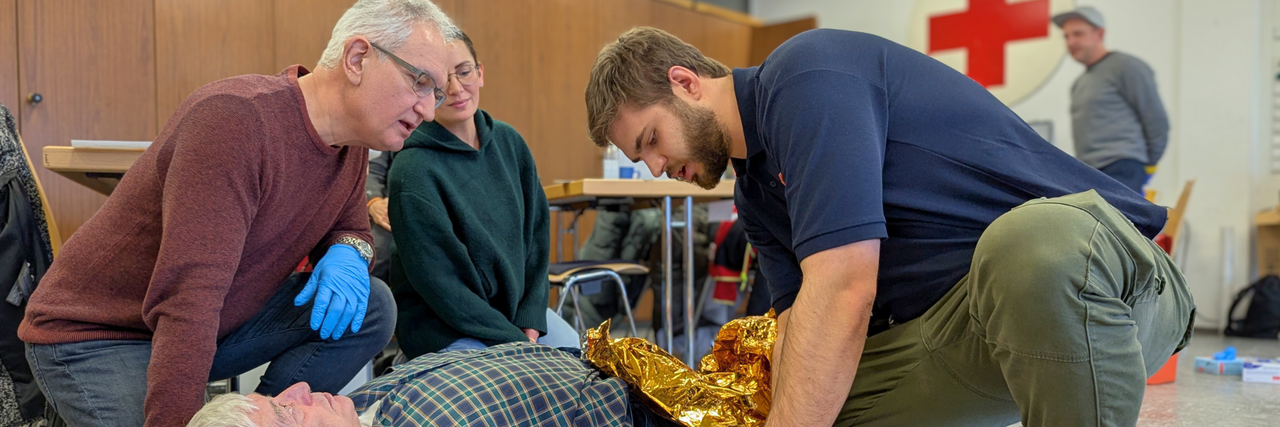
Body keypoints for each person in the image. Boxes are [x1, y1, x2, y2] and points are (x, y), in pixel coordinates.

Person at [584, 27, 1195, 426]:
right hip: (961, 328)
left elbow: (846, 285)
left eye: (652, 140)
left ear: (685, 83)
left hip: (1106, 287)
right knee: (794, 391)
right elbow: (803, 324)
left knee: (1027, 246)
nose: (660, 168)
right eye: (644, 161)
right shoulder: (755, 196)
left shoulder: (804, 75)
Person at [17, 1, 460, 425]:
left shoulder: (353, 146)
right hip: (100, 336)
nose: (427, 109)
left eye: (436, 93)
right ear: (358, 57)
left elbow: (351, 229)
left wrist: (349, 251)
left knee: (372, 305)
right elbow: (189, 299)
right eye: (420, 81)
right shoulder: (235, 121)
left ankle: (271, 418)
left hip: (208, 327)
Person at [385, 32, 577, 358]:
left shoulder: (510, 143)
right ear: (424, 87)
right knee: (517, 388)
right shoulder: (412, 169)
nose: (457, 89)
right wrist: (514, 341)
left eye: (464, 71)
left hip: (515, 317)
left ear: (480, 72)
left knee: (580, 366)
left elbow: (536, 242)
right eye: (441, 80)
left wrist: (530, 322)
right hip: (445, 327)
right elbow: (442, 287)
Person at [186, 343, 680, 426]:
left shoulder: (357, 405)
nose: (297, 391)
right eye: (285, 412)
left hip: (597, 362)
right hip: (639, 405)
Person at [1056, 6, 1170, 195]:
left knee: (1113, 225)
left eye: (1078, 34)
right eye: (1066, 36)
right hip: (1090, 173)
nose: (1071, 41)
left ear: (1099, 33)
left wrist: (1147, 165)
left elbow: (1155, 119)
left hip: (1122, 168)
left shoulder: (1126, 67)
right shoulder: (1079, 83)